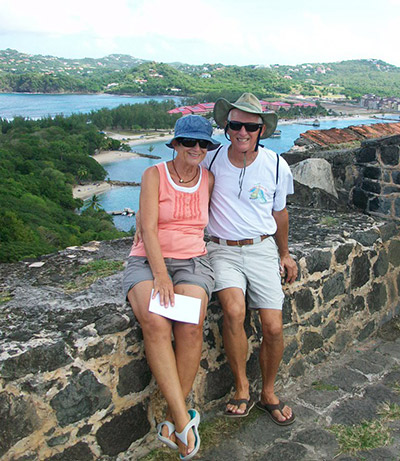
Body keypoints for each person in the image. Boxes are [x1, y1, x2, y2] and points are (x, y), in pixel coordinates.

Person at [123, 115, 218, 460]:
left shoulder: (207, 178)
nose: (196, 149)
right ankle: (182, 419)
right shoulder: (154, 175)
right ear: (175, 144)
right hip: (149, 261)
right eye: (189, 142)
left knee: (191, 326)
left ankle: (169, 419)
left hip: (193, 262)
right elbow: (147, 228)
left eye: (203, 144)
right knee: (156, 321)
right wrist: (162, 275)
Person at [202, 93, 298, 425]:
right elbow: (181, 185)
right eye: (236, 125)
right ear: (227, 128)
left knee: (272, 327)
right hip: (222, 248)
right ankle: (242, 386)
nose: (242, 132)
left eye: (250, 127)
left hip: (260, 248)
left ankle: (268, 391)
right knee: (233, 310)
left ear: (261, 130)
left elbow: (280, 213)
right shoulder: (210, 160)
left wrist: (284, 254)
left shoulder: (275, 165)